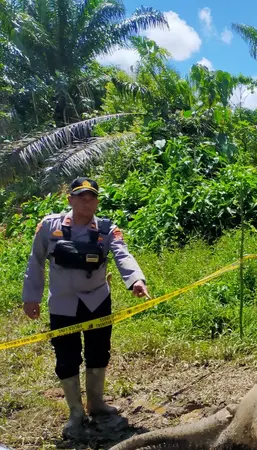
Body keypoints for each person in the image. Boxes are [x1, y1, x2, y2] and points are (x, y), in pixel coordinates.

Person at [21, 177, 149, 439]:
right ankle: (76, 413)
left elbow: (122, 254)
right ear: (70, 200)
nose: (86, 201)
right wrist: (30, 296)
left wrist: (136, 279)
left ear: (97, 202)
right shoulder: (49, 226)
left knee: (99, 352)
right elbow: (36, 262)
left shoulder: (106, 229)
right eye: (81, 196)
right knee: (66, 357)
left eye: (91, 197)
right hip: (62, 304)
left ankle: (97, 404)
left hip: (97, 301)